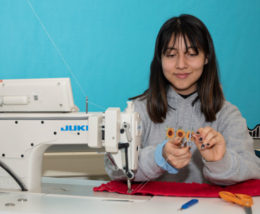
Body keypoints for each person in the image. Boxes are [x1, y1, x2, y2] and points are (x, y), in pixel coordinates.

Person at [105, 14, 260, 185]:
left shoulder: (227, 114)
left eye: (191, 54)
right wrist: (159, 157)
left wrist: (220, 160)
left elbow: (252, 167)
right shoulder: (138, 110)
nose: (181, 64)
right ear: (160, 59)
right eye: (171, 55)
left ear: (206, 57)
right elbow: (114, 168)